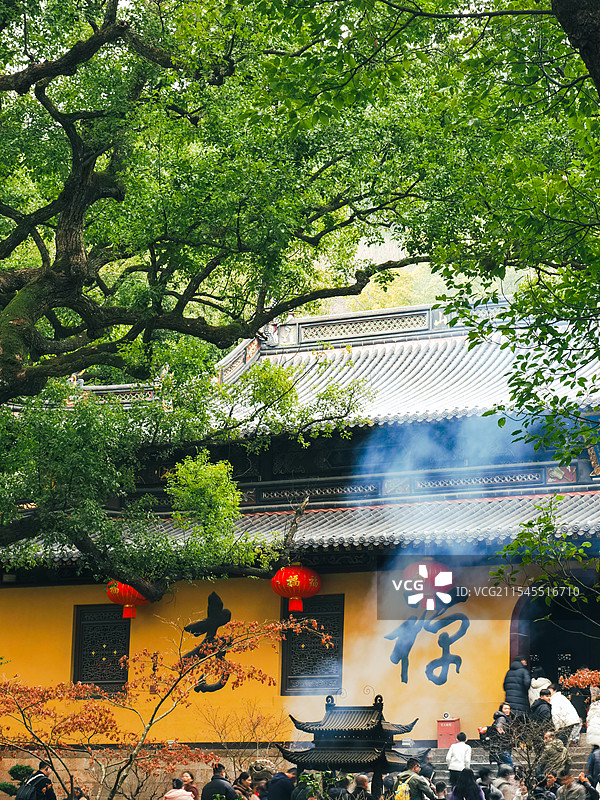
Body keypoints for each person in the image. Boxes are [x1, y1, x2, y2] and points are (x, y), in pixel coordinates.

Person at [489, 704, 514, 768]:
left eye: (508, 709)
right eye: (505, 709)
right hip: (502, 747)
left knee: (502, 768)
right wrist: (499, 728)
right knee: (509, 767)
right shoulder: (502, 718)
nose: (507, 710)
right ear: (501, 710)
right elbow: (499, 724)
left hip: (500, 747)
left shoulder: (505, 718)